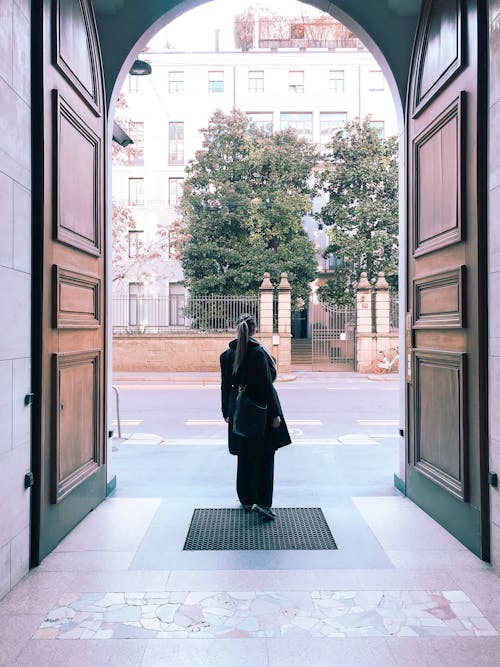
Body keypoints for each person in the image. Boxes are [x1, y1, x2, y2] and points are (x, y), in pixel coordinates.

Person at [220, 313, 291, 520]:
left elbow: (225, 386)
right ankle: (263, 503)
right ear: (254, 330)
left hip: (237, 411)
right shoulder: (259, 353)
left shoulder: (226, 356)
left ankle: (246, 498)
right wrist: (275, 414)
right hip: (260, 411)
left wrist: (226, 412)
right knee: (266, 456)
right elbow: (266, 387)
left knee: (245, 455)